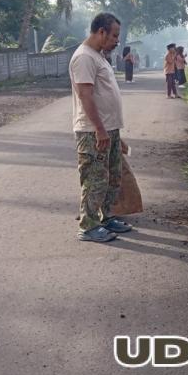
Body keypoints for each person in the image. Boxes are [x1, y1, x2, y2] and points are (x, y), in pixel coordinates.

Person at [69, 13, 133, 242]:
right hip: (93, 131)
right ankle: (88, 227)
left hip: (108, 129)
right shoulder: (84, 57)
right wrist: (100, 129)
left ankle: (105, 217)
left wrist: (114, 133)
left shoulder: (98, 56)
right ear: (101, 32)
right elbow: (85, 96)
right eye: (114, 35)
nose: (117, 41)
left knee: (112, 178)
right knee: (95, 179)